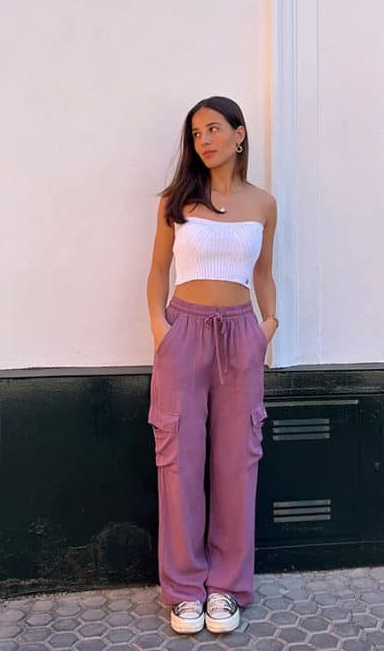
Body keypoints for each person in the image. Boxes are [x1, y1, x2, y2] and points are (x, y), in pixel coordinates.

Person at [145, 95, 278, 635]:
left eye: (215, 129)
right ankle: (183, 589)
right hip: (184, 334)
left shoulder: (264, 204)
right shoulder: (177, 201)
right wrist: (162, 332)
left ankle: (226, 586)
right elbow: (156, 273)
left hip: (241, 337)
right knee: (179, 460)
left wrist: (269, 326)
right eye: (197, 133)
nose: (205, 140)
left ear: (239, 134)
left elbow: (264, 274)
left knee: (236, 461)